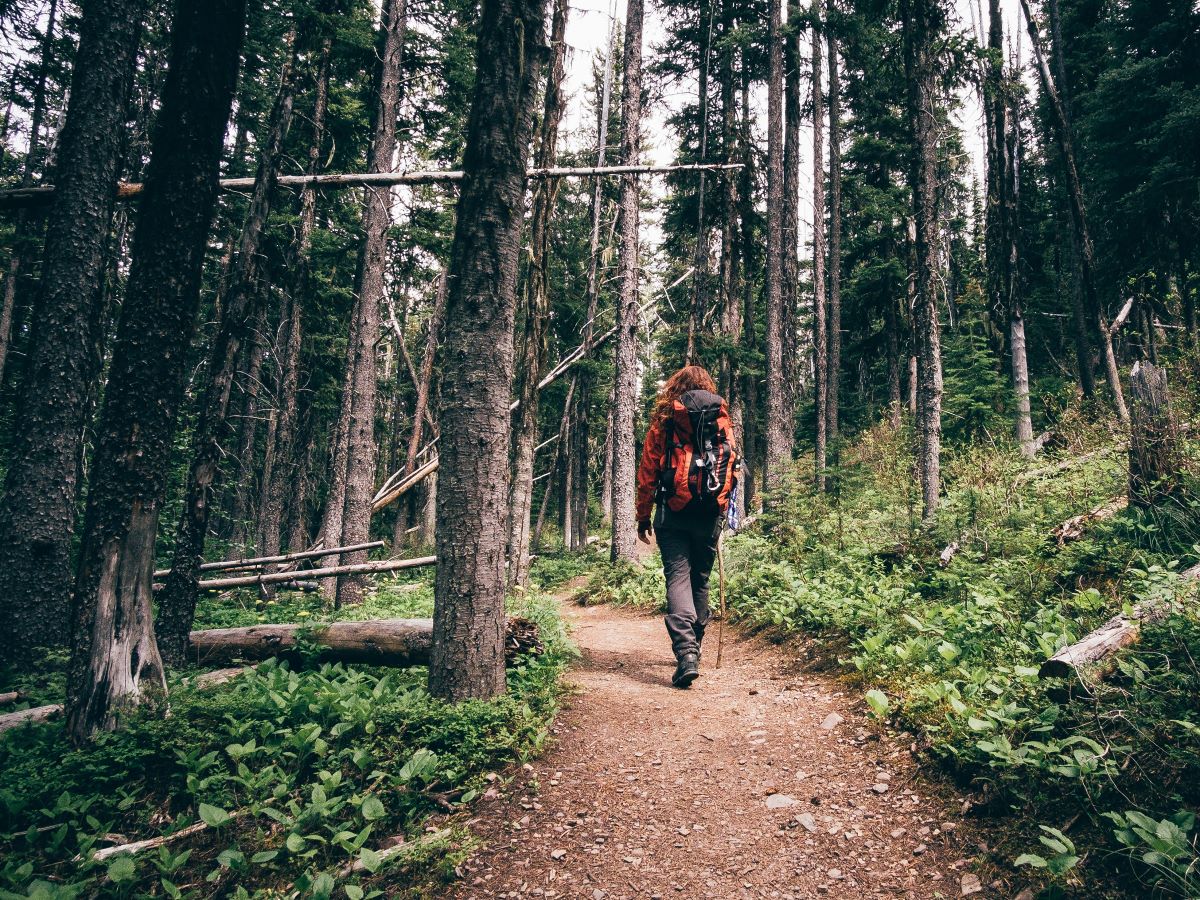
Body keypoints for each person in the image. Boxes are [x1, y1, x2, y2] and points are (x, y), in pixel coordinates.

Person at [635, 365, 738, 688]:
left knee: (678, 577)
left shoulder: (666, 421)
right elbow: (732, 465)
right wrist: (723, 508)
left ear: (674, 388)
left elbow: (648, 473)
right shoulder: (720, 419)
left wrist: (643, 515)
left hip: (673, 513)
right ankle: (695, 645)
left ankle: (686, 653)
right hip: (709, 513)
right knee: (700, 579)